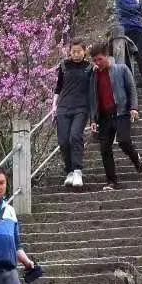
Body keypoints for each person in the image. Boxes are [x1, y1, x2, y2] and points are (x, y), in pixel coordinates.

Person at [88, 43, 142, 189]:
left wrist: (134, 108)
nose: (97, 63)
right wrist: (92, 119)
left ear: (107, 56)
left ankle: (136, 160)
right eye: (95, 60)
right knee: (104, 148)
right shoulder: (93, 75)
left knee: (124, 141)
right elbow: (92, 98)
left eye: (100, 59)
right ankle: (111, 181)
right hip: (104, 116)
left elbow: (131, 89)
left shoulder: (122, 69)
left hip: (121, 112)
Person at [54, 39, 94, 189]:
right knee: (63, 140)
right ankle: (69, 171)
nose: (76, 54)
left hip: (81, 107)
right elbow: (58, 88)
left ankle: (77, 170)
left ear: (85, 52)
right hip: (63, 107)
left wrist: (93, 113)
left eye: (79, 51)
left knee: (75, 136)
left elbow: (93, 90)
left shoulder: (89, 68)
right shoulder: (64, 66)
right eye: (73, 51)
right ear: (69, 52)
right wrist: (54, 106)